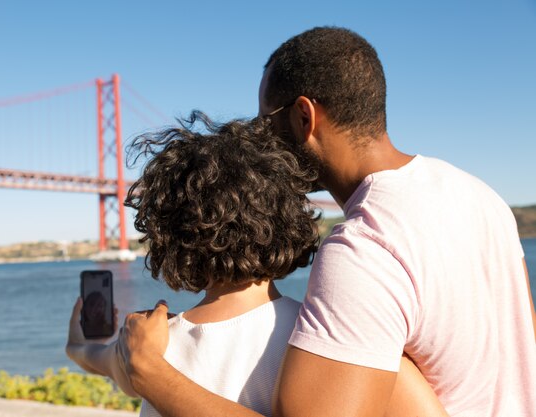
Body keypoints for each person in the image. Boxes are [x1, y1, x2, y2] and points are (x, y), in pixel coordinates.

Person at [118, 27, 536, 416]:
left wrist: (151, 374)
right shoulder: (478, 194)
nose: (260, 144)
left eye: (265, 123)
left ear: (305, 117)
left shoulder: (364, 246)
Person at [66, 113, 448, 417]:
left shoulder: (149, 348)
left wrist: (78, 344)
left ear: (171, 236)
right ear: (289, 219)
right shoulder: (331, 338)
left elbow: (98, 358)